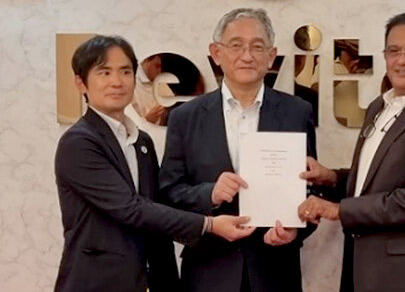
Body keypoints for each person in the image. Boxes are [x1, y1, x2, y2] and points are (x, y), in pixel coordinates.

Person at [54, 35, 255, 292]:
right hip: (98, 282)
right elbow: (131, 208)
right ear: (81, 83)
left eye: (125, 71)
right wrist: (210, 225)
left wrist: (210, 195)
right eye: (104, 72)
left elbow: (158, 206)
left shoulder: (142, 141)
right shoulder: (79, 143)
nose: (117, 82)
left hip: (152, 281)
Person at [299, 12, 405, 292]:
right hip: (366, 266)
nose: (401, 60)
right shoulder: (381, 106)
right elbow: (375, 182)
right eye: (393, 51)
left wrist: (338, 210)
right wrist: (330, 177)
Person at [159, 8, 317, 292]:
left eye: (257, 46)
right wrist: (209, 193)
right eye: (236, 45)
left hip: (275, 270)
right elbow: (168, 193)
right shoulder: (186, 117)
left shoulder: (297, 112)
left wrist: (296, 230)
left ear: (271, 56)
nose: (247, 55)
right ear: (216, 53)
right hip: (208, 270)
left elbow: (311, 190)